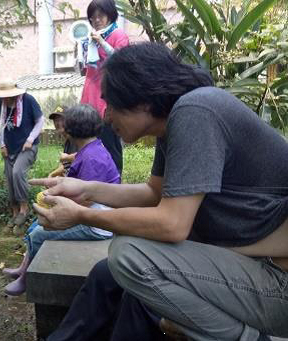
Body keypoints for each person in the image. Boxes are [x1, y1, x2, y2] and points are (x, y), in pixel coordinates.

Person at [32, 43, 288, 340]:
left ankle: (246, 338)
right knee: (113, 272)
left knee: (128, 254)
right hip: (251, 267)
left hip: (276, 283)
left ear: (142, 99)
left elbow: (172, 224)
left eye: (111, 104)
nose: (107, 117)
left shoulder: (196, 111)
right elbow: (154, 192)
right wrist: (86, 189)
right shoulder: (175, 122)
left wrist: (82, 216)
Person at [2, 104, 119, 296]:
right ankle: (24, 269)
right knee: (35, 227)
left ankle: (26, 280)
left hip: (96, 223)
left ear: (70, 129)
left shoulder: (92, 158)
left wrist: (54, 198)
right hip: (92, 215)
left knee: (38, 234)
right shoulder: (90, 149)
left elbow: (86, 201)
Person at [79, 0, 129, 174]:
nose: (96, 20)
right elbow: (84, 71)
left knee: (110, 145)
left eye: (100, 16)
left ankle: (115, 185)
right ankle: (95, 185)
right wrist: (81, 50)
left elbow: (122, 61)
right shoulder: (89, 39)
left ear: (110, 15)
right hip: (90, 97)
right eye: (93, 18)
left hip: (108, 100)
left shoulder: (118, 34)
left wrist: (102, 42)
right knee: (89, 145)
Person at [0, 80, 44, 229]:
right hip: (9, 148)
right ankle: (14, 212)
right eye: (4, 96)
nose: (6, 99)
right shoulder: (0, 103)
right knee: (9, 178)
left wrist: (30, 139)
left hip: (27, 147)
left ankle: (24, 208)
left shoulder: (28, 100)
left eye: (9, 96)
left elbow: (40, 120)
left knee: (17, 173)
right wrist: (1, 144)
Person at [47, 106, 79, 178]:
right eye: (55, 120)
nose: (58, 123)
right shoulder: (68, 140)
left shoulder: (76, 138)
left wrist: (66, 157)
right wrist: (53, 174)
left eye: (62, 120)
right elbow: (66, 165)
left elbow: (83, 157)